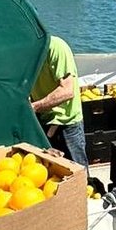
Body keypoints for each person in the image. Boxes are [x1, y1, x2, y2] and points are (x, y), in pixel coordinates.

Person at [30, 34, 88, 166]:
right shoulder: (25, 54)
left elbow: (67, 91)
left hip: (67, 124)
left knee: (77, 173)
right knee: (51, 173)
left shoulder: (56, 47)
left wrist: (34, 107)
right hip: (42, 121)